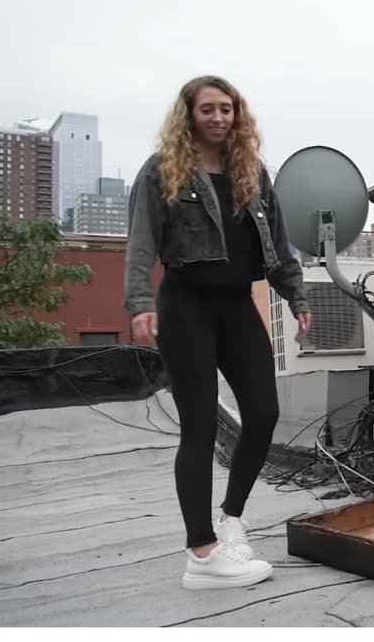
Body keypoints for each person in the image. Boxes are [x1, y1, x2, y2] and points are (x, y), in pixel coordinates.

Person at [124, 75, 312, 590]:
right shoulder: (163, 170)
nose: (219, 117)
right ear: (189, 114)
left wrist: (296, 297)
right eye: (208, 109)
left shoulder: (252, 172)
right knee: (200, 424)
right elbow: (141, 241)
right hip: (186, 304)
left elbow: (278, 243)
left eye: (227, 108)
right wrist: (139, 303)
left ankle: (231, 518)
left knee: (264, 412)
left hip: (236, 305)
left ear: (237, 114)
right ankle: (202, 553)